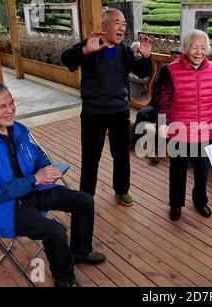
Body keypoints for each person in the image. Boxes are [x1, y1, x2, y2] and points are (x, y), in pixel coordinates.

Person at [0, 81, 106, 287]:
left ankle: (80, 251)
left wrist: (47, 170)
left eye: (11, 103)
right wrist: (35, 179)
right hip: (4, 207)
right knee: (55, 231)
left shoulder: (16, 129)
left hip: (32, 191)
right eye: (2, 106)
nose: (11, 109)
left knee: (84, 200)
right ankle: (65, 281)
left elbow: (36, 154)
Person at [61, 9, 152, 206]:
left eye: (124, 24)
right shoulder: (91, 45)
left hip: (119, 112)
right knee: (90, 157)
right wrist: (84, 50)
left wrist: (146, 57)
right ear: (104, 27)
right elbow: (66, 59)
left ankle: (121, 190)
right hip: (93, 113)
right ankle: (86, 196)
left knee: (121, 156)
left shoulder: (126, 51)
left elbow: (143, 72)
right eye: (117, 23)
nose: (122, 27)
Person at [157, 30, 212, 221]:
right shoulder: (171, 70)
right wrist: (163, 122)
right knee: (178, 171)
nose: (199, 52)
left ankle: (200, 201)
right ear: (186, 47)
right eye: (194, 46)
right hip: (180, 130)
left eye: (203, 47)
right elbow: (164, 100)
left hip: (205, 129)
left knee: (202, 171)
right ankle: (175, 204)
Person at [130, 46, 183, 163]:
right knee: (142, 113)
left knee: (163, 118)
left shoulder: (183, 71)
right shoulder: (165, 68)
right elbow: (155, 85)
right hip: (157, 102)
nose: (176, 58)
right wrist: (158, 100)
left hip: (173, 107)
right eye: (174, 56)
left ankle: (158, 150)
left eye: (179, 57)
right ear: (171, 57)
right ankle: (134, 141)